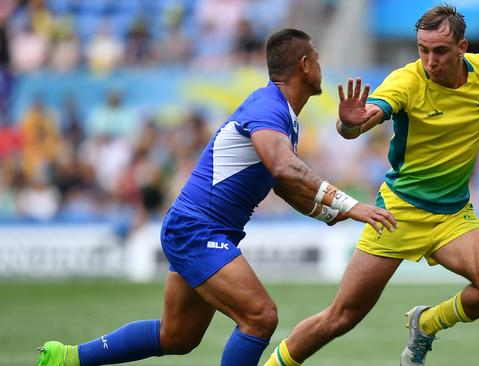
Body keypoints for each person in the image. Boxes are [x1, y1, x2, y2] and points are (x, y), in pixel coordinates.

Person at [37, 28, 396, 366]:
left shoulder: (281, 114)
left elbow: (285, 185)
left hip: (198, 229)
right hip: (197, 229)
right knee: (260, 317)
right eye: (316, 57)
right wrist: (351, 204)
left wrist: (335, 215)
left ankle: (66, 357)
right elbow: (286, 170)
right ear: (304, 65)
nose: (320, 65)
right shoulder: (268, 109)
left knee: (176, 336)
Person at [263, 5, 479, 366]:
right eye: (422, 50)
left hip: (454, 216)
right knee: (341, 317)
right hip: (397, 214)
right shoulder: (406, 82)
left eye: (440, 51)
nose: (430, 60)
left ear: (463, 47)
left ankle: (426, 323)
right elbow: (362, 122)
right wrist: (349, 125)